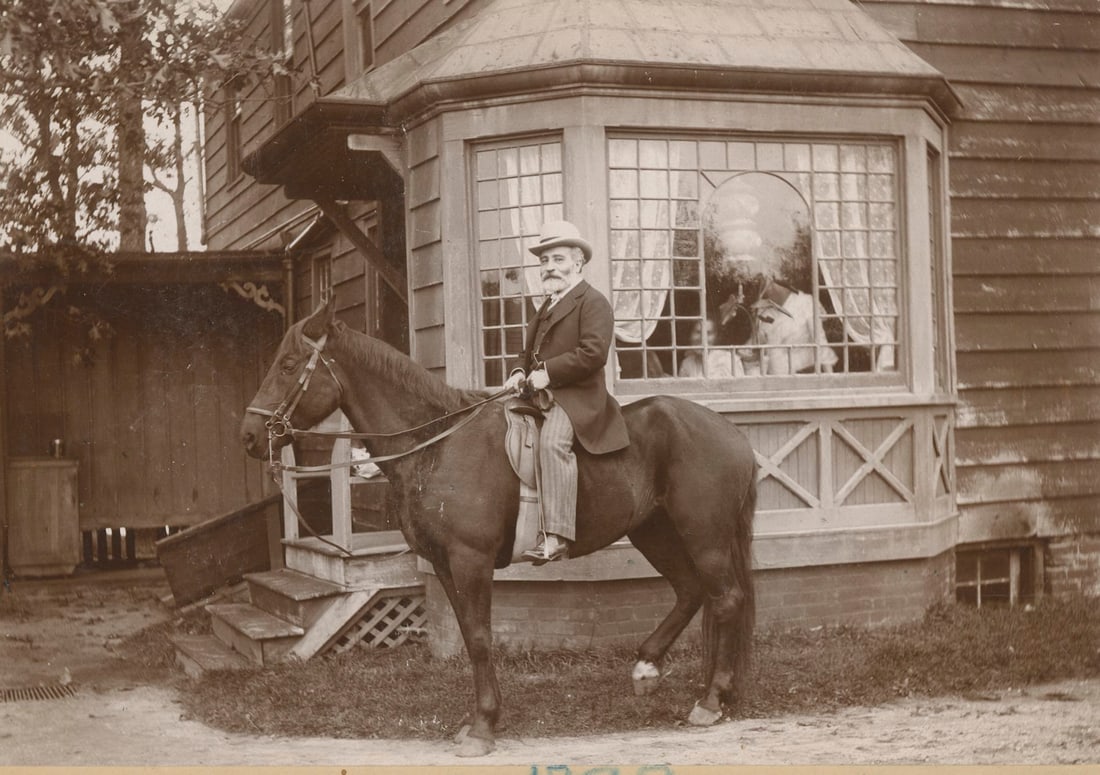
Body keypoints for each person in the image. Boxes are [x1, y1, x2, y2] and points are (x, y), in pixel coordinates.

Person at [504, 221, 630, 563]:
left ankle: (556, 536)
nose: (549, 268)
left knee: (552, 444)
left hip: (578, 399)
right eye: (544, 261)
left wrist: (548, 373)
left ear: (577, 262)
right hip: (539, 393)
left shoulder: (593, 302)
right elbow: (527, 352)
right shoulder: (546, 305)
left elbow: (593, 354)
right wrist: (519, 372)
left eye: (557, 259)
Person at [751, 277, 837, 375]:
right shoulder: (766, 312)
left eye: (769, 286)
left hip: (801, 374)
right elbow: (759, 345)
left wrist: (830, 375)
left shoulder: (805, 302)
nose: (767, 292)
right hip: (774, 377)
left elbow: (819, 339)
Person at [678, 318, 744, 378]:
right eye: (698, 332)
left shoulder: (729, 360)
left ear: (716, 337)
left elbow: (741, 389)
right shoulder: (687, 363)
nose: (702, 338)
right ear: (690, 334)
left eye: (709, 333)